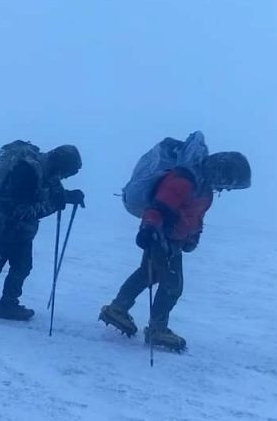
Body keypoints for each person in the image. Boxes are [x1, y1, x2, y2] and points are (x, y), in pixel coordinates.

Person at [99, 145, 251, 352]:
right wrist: (149, 228)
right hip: (160, 236)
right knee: (172, 284)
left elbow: (195, 217)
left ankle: (118, 308)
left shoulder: (204, 190)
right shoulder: (184, 181)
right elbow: (160, 205)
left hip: (173, 240)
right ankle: (156, 328)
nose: (226, 189)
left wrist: (193, 237)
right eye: (229, 183)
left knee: (148, 274)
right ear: (221, 171)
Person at [0, 143, 84, 321]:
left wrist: (68, 196)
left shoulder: (48, 170)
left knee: (22, 266)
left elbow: (48, 193)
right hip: (5, 227)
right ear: (60, 165)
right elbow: (20, 210)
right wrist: (56, 204)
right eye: (65, 173)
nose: (63, 177)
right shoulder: (27, 172)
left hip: (22, 231)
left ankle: (8, 305)